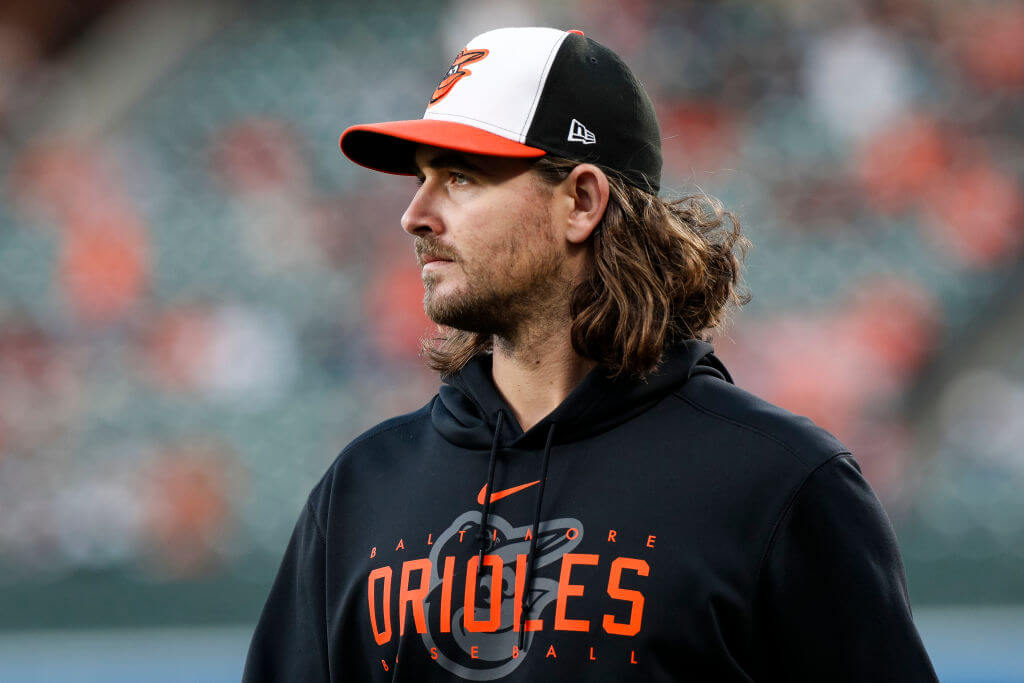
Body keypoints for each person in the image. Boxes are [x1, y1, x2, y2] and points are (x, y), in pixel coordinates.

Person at [242, 27, 938, 682]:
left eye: (459, 176)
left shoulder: (780, 483)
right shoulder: (362, 488)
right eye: (421, 177)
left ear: (580, 199)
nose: (415, 213)